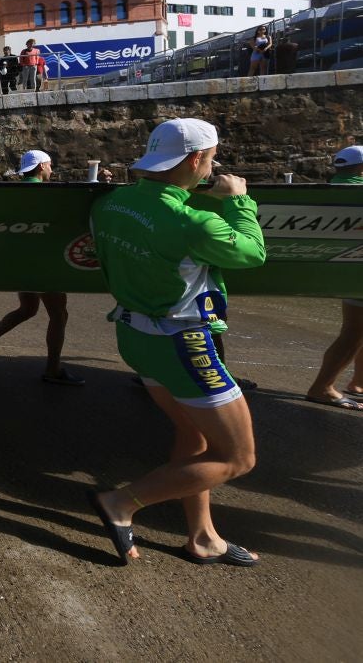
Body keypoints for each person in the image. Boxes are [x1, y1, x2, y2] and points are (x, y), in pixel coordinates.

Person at [87, 118, 265, 566]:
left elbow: (155, 222)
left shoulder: (110, 204)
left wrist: (195, 194)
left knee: (193, 433)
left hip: (134, 334)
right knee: (238, 457)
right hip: (184, 345)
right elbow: (252, 253)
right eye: (211, 158)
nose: (213, 167)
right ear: (195, 159)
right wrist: (240, 201)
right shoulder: (194, 222)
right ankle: (122, 503)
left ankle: (203, 537)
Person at [0, 151, 84, 386]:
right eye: (50, 165)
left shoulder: (16, 192)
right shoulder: (47, 194)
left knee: (28, 308)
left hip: (20, 261)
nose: (52, 170)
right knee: (59, 314)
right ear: (41, 167)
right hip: (41, 262)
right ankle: (53, 369)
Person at [304, 145, 363, 410]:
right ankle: (322, 387)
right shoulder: (358, 193)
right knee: (354, 333)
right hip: (358, 268)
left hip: (341, 267)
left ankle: (358, 383)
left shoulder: (327, 191)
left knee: (356, 329)